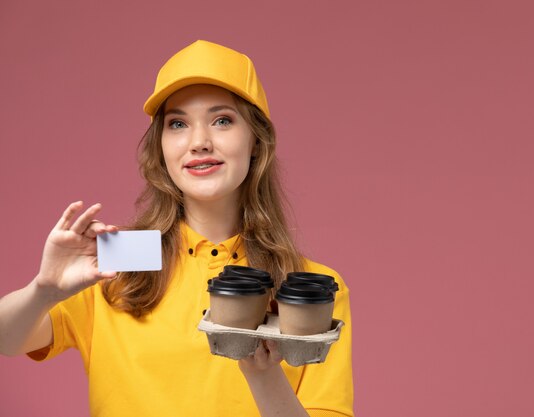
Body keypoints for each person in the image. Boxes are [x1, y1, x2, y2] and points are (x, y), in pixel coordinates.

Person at [0, 40, 353, 417]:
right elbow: (8, 340)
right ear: (161, 147)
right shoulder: (121, 256)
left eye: (222, 120)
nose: (199, 142)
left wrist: (263, 374)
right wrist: (44, 290)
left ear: (256, 141)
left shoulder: (311, 285)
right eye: (178, 124)